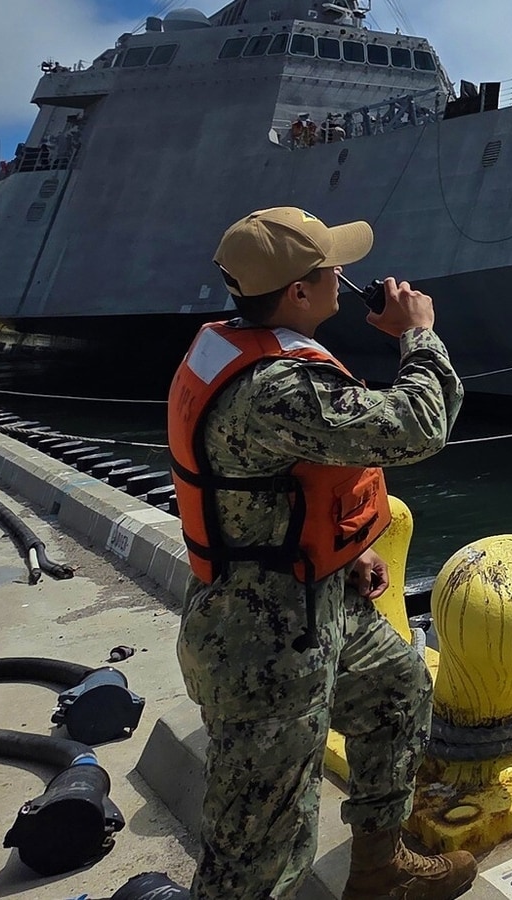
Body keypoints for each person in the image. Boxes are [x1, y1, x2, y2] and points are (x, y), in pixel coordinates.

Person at [168, 207, 471, 899]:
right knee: (260, 846)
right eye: (331, 265)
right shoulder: (277, 386)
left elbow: (268, 487)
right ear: (299, 292)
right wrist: (417, 334)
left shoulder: (238, 345)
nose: (344, 273)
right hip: (263, 641)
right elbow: (419, 427)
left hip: (312, 595)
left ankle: (379, 867)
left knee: (397, 688)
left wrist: (337, 552)